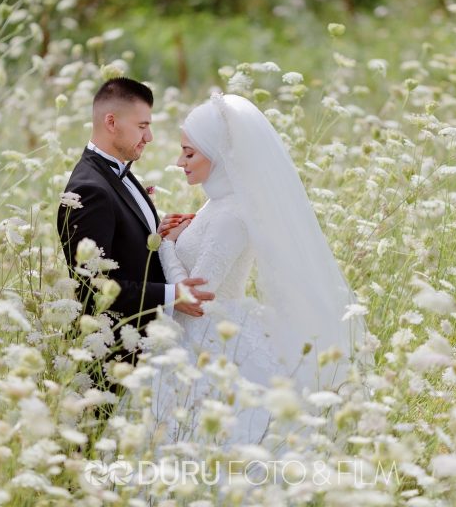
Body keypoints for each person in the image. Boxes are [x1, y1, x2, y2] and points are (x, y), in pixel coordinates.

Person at [150, 93, 368, 446]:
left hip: (210, 342)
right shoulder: (215, 203)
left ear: (217, 155)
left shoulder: (232, 215)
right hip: (192, 337)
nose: (179, 161)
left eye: (189, 153)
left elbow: (198, 294)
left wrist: (167, 246)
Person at [56, 78, 214, 385]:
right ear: (111, 122)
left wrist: (159, 234)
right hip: (112, 360)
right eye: (142, 126)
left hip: (143, 352)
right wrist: (172, 295)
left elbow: (123, 251)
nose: (150, 137)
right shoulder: (89, 190)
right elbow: (92, 289)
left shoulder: (113, 174)